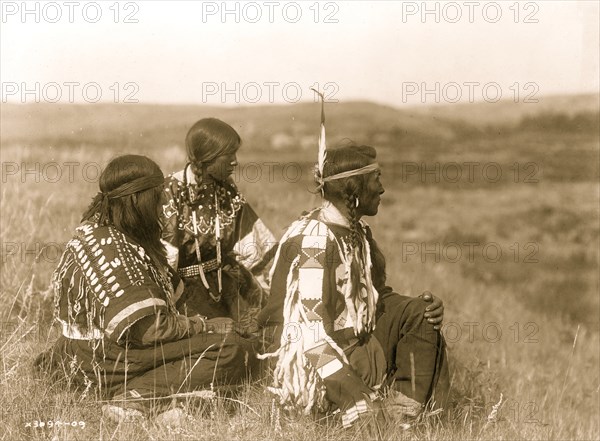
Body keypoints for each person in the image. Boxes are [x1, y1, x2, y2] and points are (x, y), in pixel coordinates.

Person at [257, 99, 449, 429]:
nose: (383, 188)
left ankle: (406, 419)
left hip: (353, 340)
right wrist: (352, 394)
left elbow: (374, 296)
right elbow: (306, 333)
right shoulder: (314, 241)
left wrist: (420, 309)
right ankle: (366, 413)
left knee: (419, 315)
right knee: (364, 417)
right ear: (354, 188)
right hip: (311, 356)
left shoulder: (356, 232)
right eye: (376, 179)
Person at [35, 154, 259, 422]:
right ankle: (136, 397)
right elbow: (150, 330)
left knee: (236, 340)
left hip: (83, 354)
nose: (163, 206)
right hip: (107, 359)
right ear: (135, 200)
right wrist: (206, 327)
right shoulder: (114, 249)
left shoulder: (109, 232)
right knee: (231, 349)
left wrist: (225, 320)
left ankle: (163, 397)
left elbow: (178, 293)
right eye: (156, 198)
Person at [161, 118, 277, 334]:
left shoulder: (226, 189)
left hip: (225, 287)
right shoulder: (170, 192)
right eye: (229, 154)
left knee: (258, 335)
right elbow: (165, 261)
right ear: (207, 157)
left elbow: (251, 244)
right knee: (217, 344)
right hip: (184, 293)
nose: (235, 161)